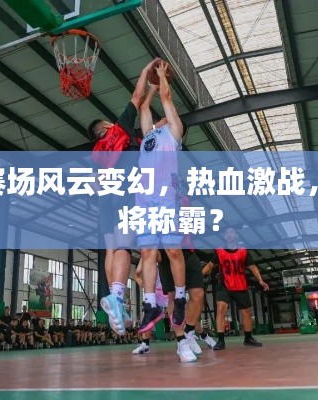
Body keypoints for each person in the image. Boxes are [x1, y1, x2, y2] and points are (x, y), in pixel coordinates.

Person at [96, 58, 161, 335]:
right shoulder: (118, 132)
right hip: (125, 190)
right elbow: (136, 97)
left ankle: (116, 300)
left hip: (105, 198)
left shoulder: (97, 153)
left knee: (111, 249)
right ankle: (118, 297)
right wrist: (146, 72)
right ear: (106, 127)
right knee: (126, 247)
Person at [136, 61, 189, 335]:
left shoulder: (174, 132)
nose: (162, 116)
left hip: (166, 196)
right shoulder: (149, 136)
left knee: (172, 251)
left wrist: (161, 78)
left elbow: (167, 98)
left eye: (166, 116)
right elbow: (144, 106)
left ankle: (179, 298)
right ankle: (150, 304)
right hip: (144, 198)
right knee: (147, 252)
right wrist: (152, 88)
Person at [202, 227, 269, 350]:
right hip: (224, 285)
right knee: (221, 309)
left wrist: (260, 280)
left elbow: (253, 267)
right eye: (227, 233)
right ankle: (221, 341)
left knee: (246, 312)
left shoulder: (243, 251)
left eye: (232, 232)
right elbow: (210, 266)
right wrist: (199, 277)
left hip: (240, 285)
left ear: (236, 235)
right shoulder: (219, 251)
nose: (229, 234)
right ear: (224, 236)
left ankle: (248, 338)